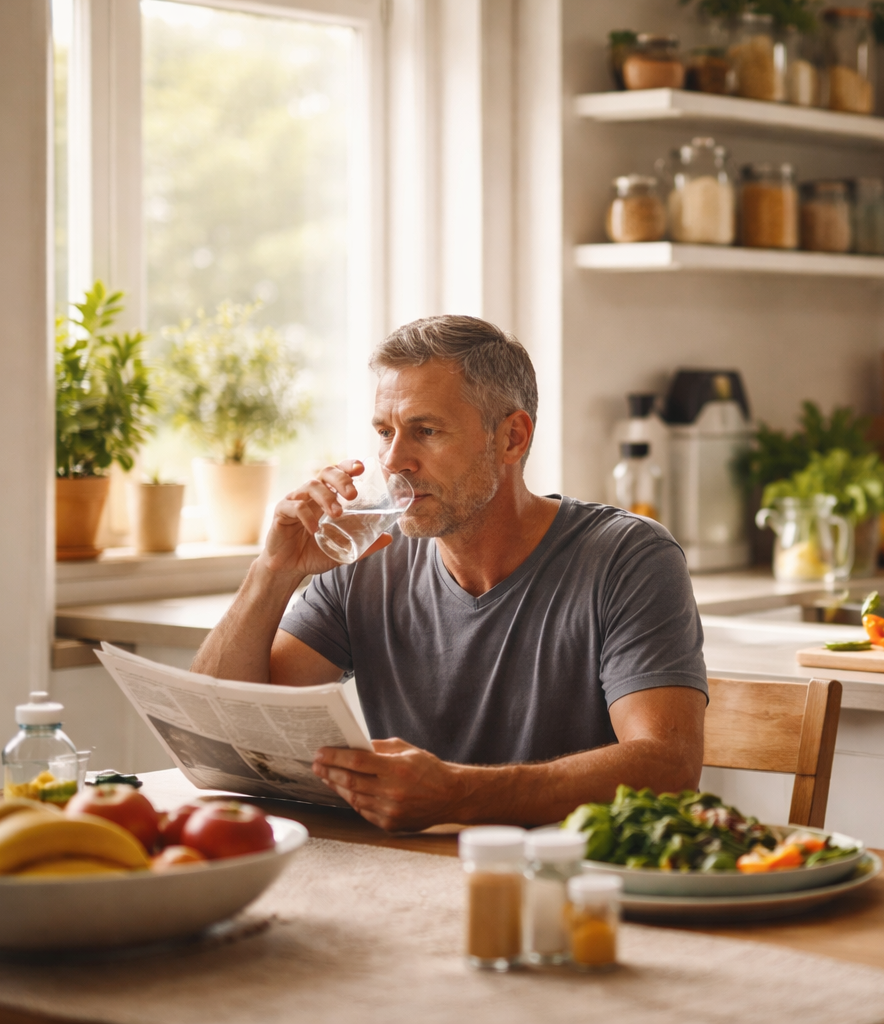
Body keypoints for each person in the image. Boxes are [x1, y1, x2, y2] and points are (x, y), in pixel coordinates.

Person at [193, 315, 708, 831]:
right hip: (400, 872)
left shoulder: (628, 557)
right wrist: (274, 570)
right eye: (384, 432)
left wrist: (460, 794)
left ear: (512, 438)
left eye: (427, 431)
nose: (395, 461)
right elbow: (220, 729)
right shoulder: (368, 560)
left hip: (560, 882)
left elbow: (668, 765)